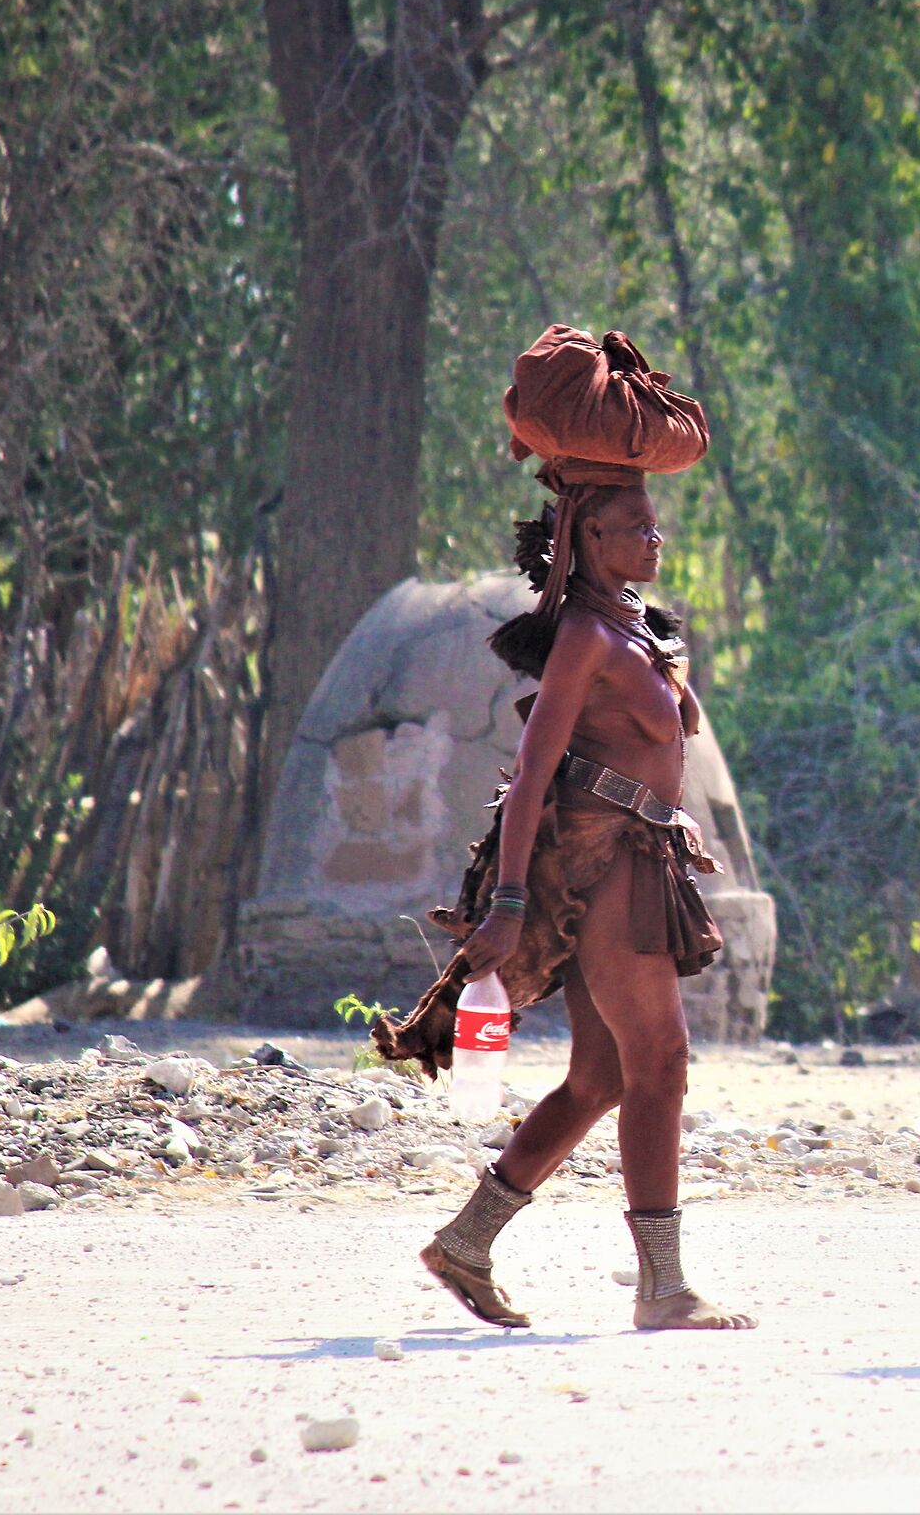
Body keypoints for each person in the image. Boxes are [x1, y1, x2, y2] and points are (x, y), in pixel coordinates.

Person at [374, 326, 750, 1333]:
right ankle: (664, 1289)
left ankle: (466, 1241)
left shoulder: (634, 621)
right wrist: (503, 902)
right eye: (633, 524)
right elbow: (537, 762)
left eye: (655, 523)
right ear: (586, 532)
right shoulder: (586, 633)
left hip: (640, 858)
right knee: (659, 1064)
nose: (652, 538)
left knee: (602, 1074)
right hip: (606, 871)